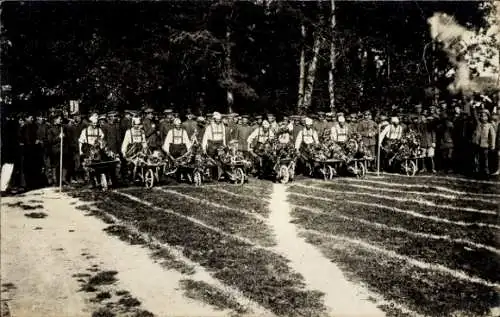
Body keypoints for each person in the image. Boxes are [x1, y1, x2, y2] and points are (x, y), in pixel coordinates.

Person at [472, 108, 496, 176]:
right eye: (482, 116)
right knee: (477, 158)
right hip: (477, 145)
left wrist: (492, 145)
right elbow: (475, 134)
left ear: (488, 117)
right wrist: (474, 141)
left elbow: (492, 136)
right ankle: (478, 171)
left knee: (485, 160)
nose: (483, 118)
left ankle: (486, 172)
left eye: (485, 116)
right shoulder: (478, 125)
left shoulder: (489, 126)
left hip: (485, 145)